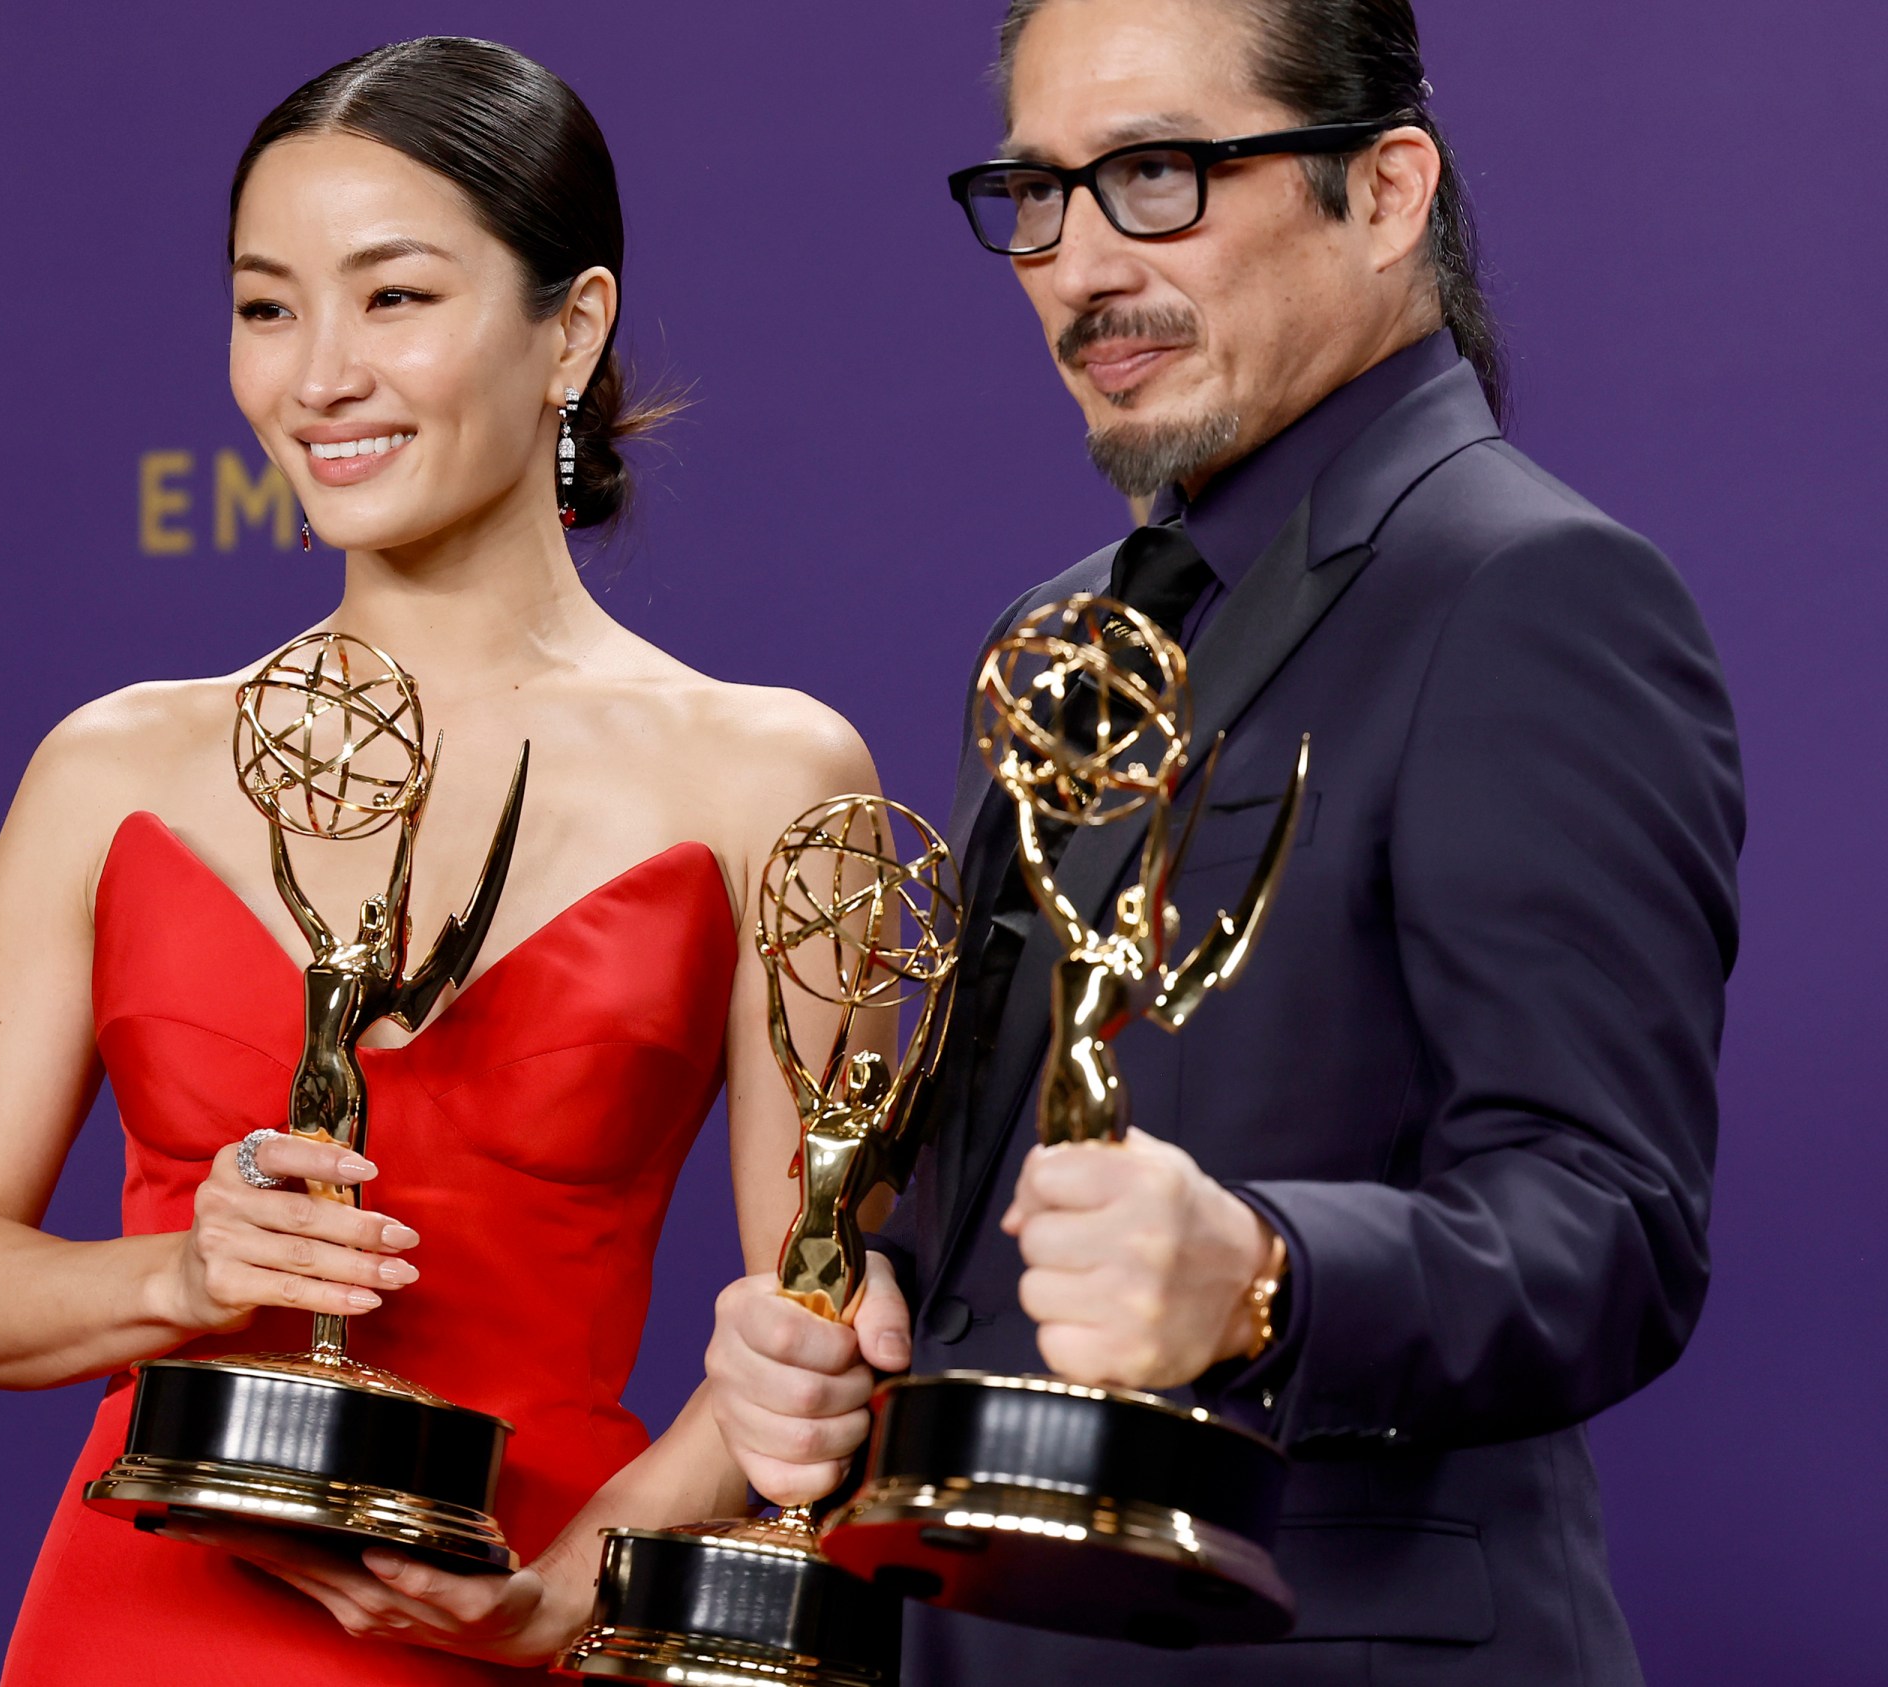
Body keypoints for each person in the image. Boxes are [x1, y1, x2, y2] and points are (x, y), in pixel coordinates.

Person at [703, 1, 1746, 1682]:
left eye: (1162, 174)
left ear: (1388, 192)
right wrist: (852, 1317)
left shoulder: (1526, 590)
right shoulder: (1063, 636)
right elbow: (999, 1189)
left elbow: (1612, 1227)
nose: (1079, 266)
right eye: (1038, 195)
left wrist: (1263, 1274)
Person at [0, 37, 879, 1684]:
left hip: (530, 1604)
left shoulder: (770, 776)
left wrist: (578, 1582)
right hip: (142, 1623)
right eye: (268, 308)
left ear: (575, 328)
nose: (316, 374)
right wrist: (186, 1271)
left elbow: (815, 1312)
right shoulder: (114, 765)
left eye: (392, 298)